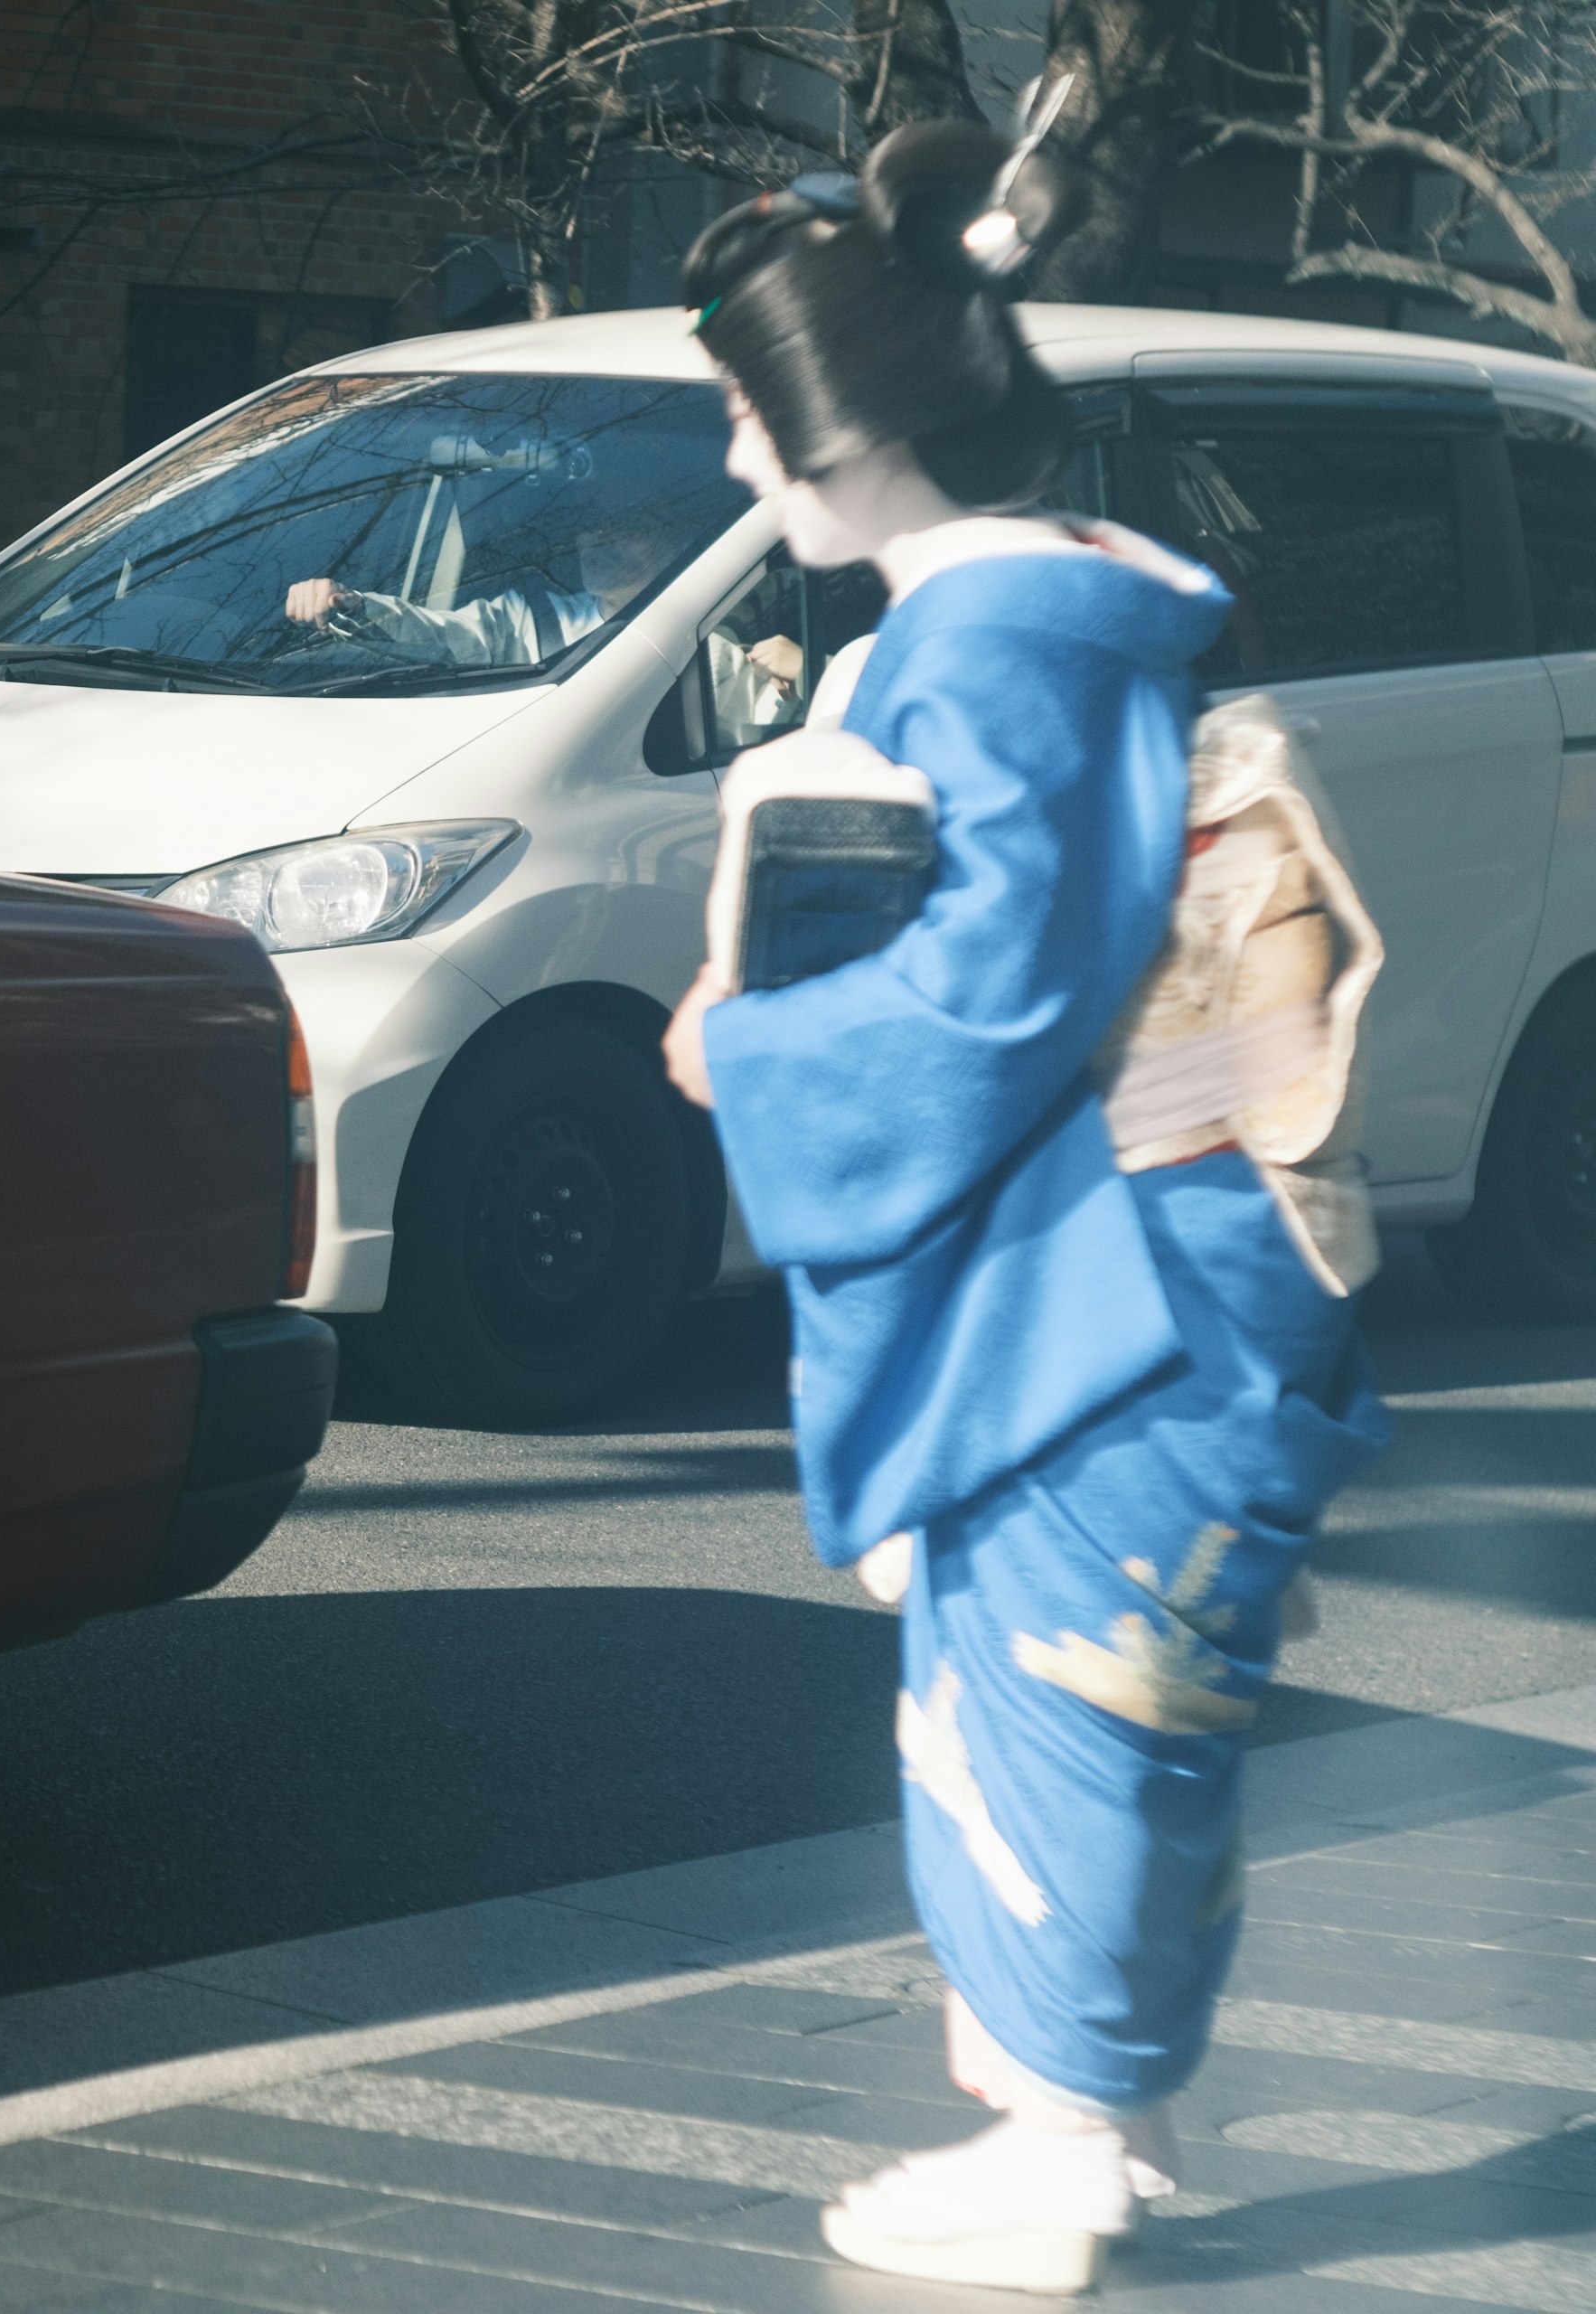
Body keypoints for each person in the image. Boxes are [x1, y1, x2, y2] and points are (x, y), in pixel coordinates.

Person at [656, 121, 1389, 2293]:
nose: (731, 464)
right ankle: (1094, 2110)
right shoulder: (1050, 613)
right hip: (1154, 1239)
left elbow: (995, 986)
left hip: (1116, 1274)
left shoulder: (993, 645)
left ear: (844, 421)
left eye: (739, 417)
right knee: (1098, 1694)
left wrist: (748, 1049)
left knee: (1050, 1689)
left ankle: (1059, 2143)